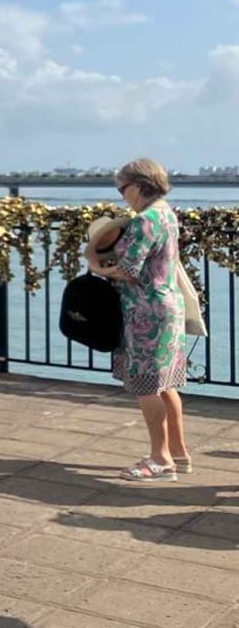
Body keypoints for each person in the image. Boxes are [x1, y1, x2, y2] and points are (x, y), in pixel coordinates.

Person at [87, 158, 190, 481]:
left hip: (146, 312)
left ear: (139, 186)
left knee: (146, 386)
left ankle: (160, 460)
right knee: (165, 384)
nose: (122, 196)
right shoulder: (166, 213)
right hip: (168, 306)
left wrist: (96, 267)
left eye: (123, 189)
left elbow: (129, 271)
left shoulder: (144, 220)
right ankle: (178, 453)